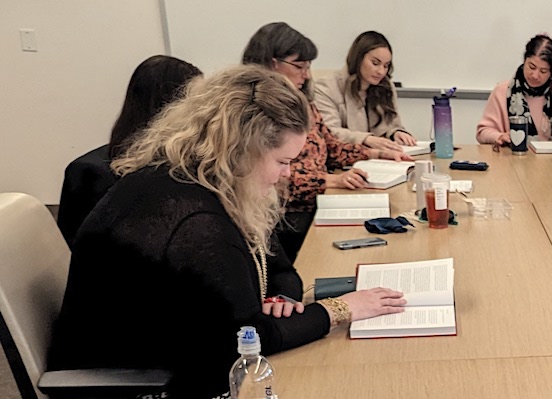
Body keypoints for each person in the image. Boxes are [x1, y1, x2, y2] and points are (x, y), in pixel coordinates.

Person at [46, 65, 408, 398]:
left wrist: (282, 298)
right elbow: (247, 338)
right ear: (241, 150)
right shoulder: (195, 221)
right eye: (283, 162)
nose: (287, 175)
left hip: (183, 347)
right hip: (145, 382)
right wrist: (342, 308)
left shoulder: (211, 182)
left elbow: (278, 265)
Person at [242, 22, 411, 260]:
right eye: (299, 66)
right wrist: (332, 179)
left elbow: (331, 146)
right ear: (272, 63)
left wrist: (376, 154)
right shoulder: (255, 111)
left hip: (319, 203)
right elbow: (271, 178)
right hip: (285, 220)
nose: (307, 74)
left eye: (308, 66)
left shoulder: (302, 101)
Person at [57, 55, 201, 248]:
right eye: (196, 103)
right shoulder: (91, 173)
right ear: (167, 108)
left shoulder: (187, 166)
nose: (203, 113)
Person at [313, 31, 416, 151]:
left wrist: (396, 133)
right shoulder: (327, 87)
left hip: (382, 159)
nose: (381, 72)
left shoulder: (386, 87)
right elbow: (329, 132)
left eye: (386, 65)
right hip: (343, 162)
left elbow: (393, 125)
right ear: (358, 58)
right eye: (375, 63)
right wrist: (366, 139)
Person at [476, 34, 552, 146]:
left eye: (543, 71)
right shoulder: (502, 91)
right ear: (524, 60)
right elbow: (482, 133)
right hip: (514, 160)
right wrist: (499, 136)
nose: (535, 75)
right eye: (531, 67)